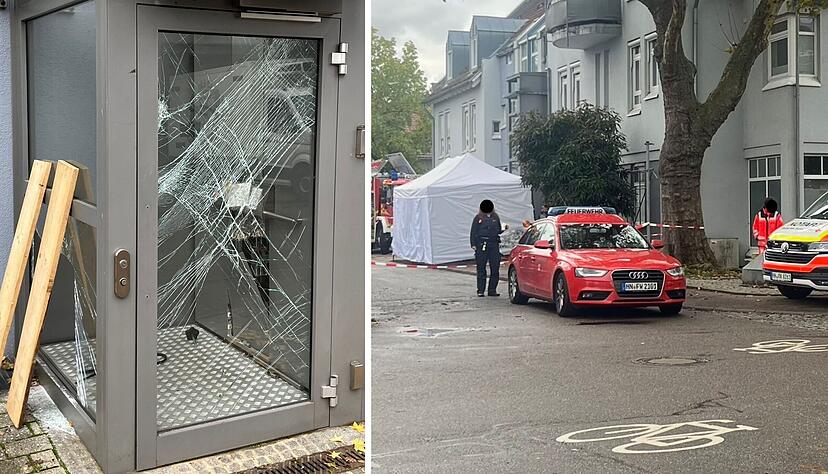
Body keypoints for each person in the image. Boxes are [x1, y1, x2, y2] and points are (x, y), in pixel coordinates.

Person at [470, 200, 508, 297]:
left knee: (495, 268)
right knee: (481, 268)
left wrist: (503, 229)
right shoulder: (478, 218)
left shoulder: (495, 217)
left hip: (493, 244)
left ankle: (492, 290)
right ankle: (480, 290)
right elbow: (473, 231)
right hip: (482, 244)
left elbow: (498, 230)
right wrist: (473, 244)